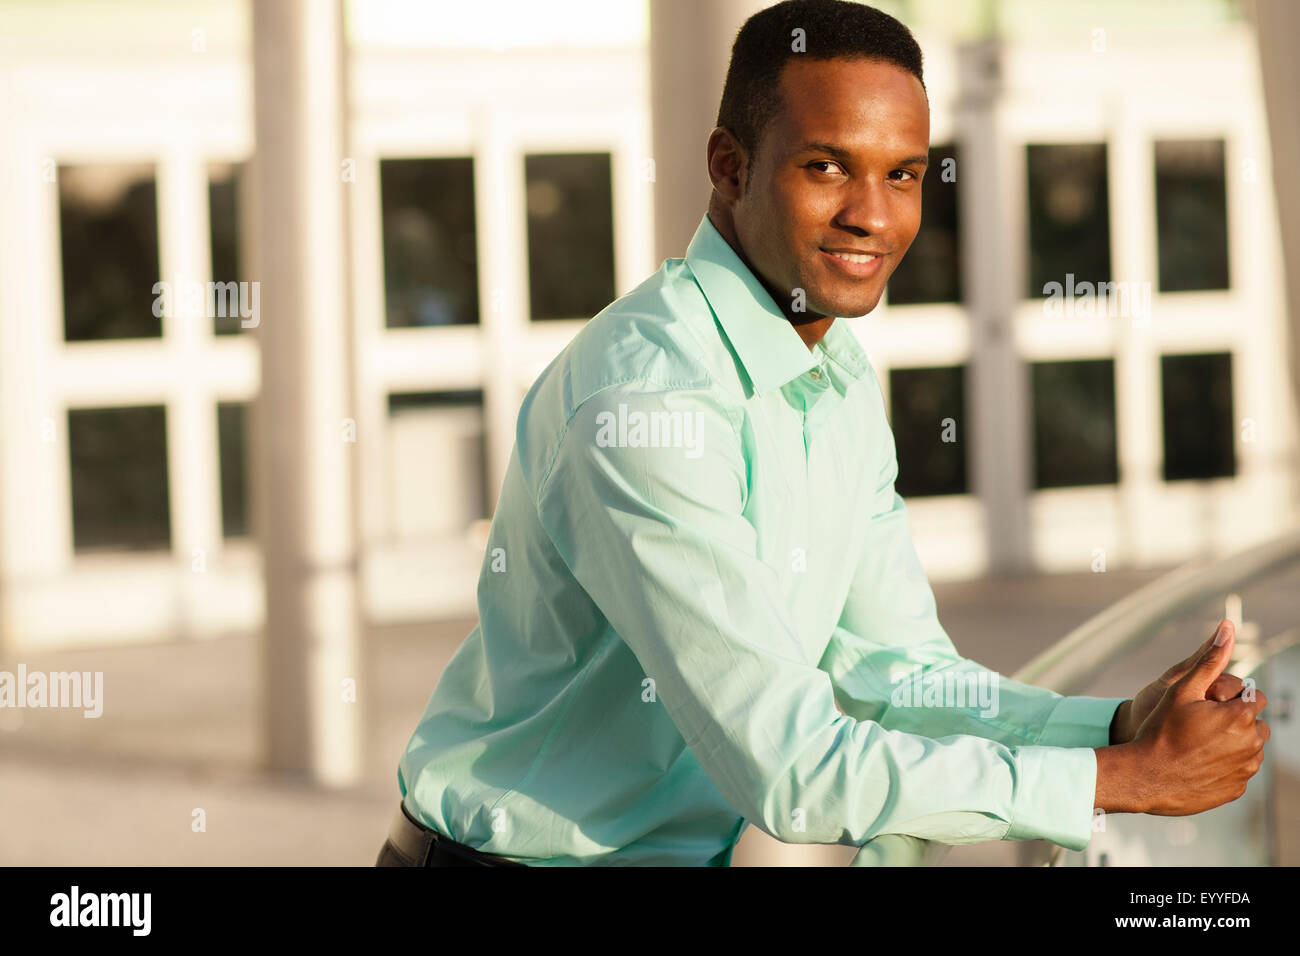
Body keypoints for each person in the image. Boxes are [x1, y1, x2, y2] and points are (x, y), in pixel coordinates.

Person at [376, 0, 1269, 867]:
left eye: (904, 174)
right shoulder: (647, 405)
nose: (872, 216)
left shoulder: (834, 377)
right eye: (827, 167)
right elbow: (791, 767)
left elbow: (896, 676)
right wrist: (1116, 780)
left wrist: (1113, 727)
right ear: (729, 166)